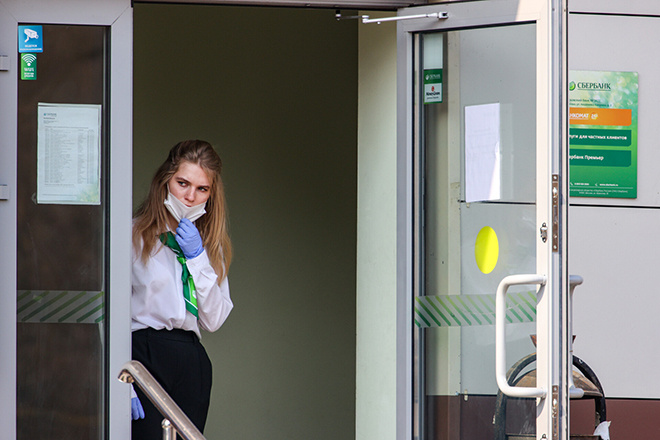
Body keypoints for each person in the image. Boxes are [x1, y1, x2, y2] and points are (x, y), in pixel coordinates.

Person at [129, 140, 233, 439]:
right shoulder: (132, 235)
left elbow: (213, 319)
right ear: (165, 181)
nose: (190, 197)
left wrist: (197, 258)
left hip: (190, 358)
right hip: (144, 352)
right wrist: (120, 378)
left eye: (202, 189)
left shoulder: (209, 246)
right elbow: (109, 312)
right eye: (183, 183)